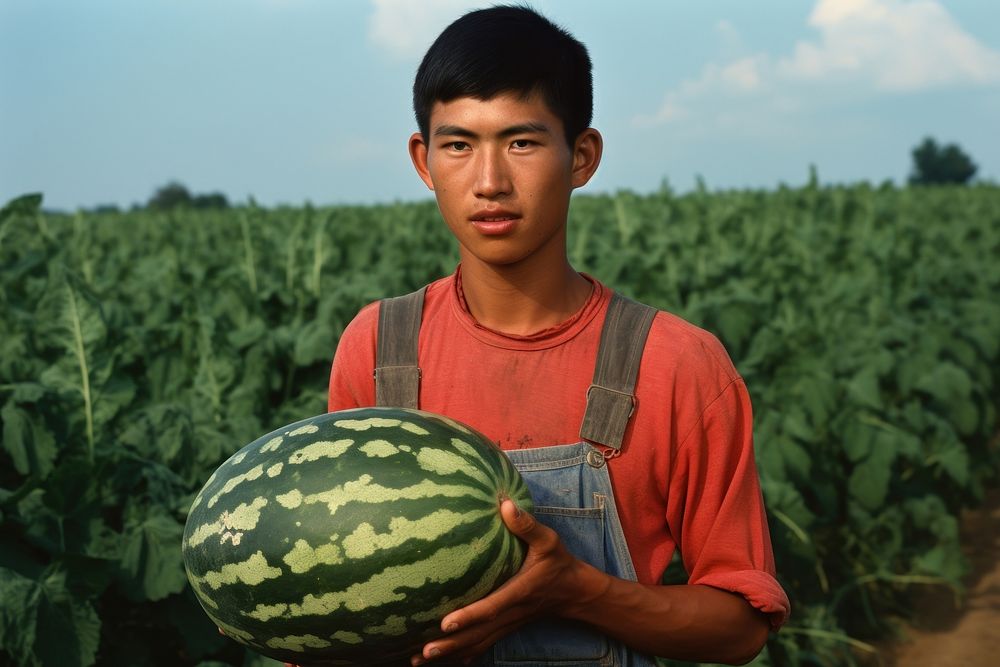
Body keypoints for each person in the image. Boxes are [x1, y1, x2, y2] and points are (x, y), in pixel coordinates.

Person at [327, 5, 790, 666]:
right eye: (458, 144)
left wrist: (577, 592)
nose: (489, 182)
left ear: (581, 155)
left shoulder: (678, 364)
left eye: (522, 142)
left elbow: (741, 626)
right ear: (423, 160)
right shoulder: (375, 351)